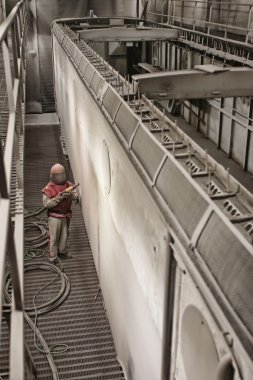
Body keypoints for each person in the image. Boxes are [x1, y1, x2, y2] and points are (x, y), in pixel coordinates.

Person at [42, 163, 79, 263]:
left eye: (62, 174)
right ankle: (52, 258)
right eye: (58, 175)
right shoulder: (48, 188)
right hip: (54, 217)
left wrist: (71, 195)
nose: (60, 177)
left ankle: (61, 252)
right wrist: (58, 198)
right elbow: (46, 204)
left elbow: (76, 196)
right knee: (53, 238)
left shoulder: (68, 184)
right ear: (52, 176)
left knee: (64, 235)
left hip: (66, 215)